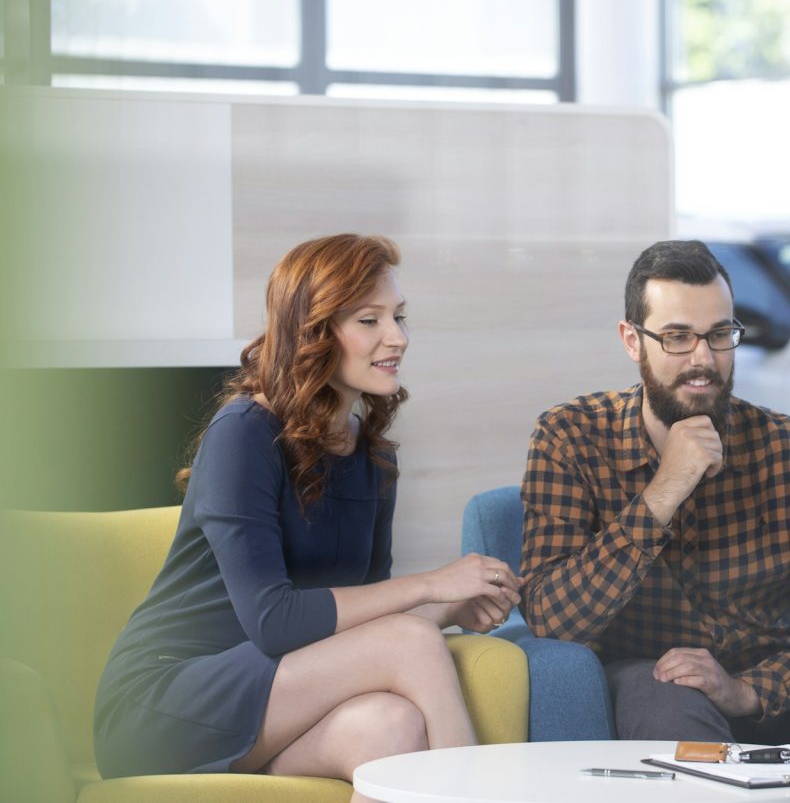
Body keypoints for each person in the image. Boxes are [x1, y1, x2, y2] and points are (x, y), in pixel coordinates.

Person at [94, 234, 521, 802]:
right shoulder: (244, 431)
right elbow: (275, 622)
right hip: (166, 702)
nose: (397, 338)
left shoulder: (372, 455)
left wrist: (448, 606)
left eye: (398, 317)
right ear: (315, 332)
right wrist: (430, 585)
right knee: (412, 643)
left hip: (271, 693)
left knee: (389, 727)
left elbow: (358, 616)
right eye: (369, 320)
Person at [520, 239, 790, 803]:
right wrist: (664, 489)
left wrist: (748, 691)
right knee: (672, 706)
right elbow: (551, 617)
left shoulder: (788, 447)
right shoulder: (570, 436)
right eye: (676, 337)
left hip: (782, 685)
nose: (703, 359)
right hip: (658, 681)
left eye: (720, 335)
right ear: (632, 341)